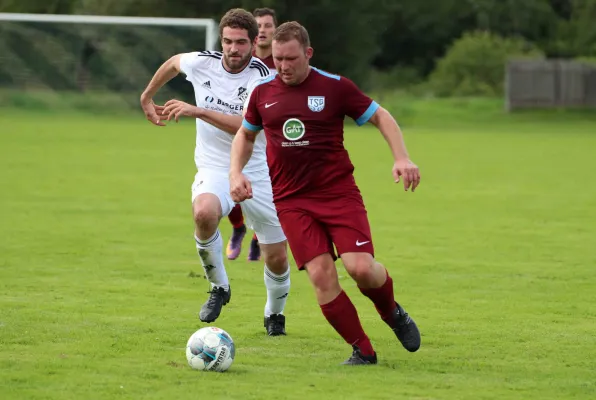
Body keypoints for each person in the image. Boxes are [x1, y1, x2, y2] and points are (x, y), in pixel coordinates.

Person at [229, 21, 422, 364]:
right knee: (320, 274)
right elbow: (245, 134)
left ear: (308, 53)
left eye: (291, 59)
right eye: (277, 59)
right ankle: (362, 350)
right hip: (291, 202)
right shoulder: (263, 93)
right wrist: (235, 172)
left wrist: (402, 157)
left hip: (338, 194)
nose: (283, 67)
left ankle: (391, 311)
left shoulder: (335, 87)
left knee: (361, 269)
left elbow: (381, 117)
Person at [139, 8, 291, 336]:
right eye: (227, 42)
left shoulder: (264, 80)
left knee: (276, 256)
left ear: (254, 43)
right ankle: (219, 287)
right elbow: (173, 62)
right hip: (215, 167)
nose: (233, 49)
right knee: (204, 212)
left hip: (257, 170)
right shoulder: (203, 62)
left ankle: (274, 313)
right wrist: (147, 96)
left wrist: (198, 111)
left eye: (240, 43)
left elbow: (249, 126)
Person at [225, 7, 278, 262]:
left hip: (272, 140)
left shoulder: (282, 61)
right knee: (230, 186)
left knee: (268, 191)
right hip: (241, 135)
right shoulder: (241, 62)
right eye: (260, 25)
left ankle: (260, 237)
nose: (264, 29)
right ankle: (238, 228)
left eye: (268, 25)